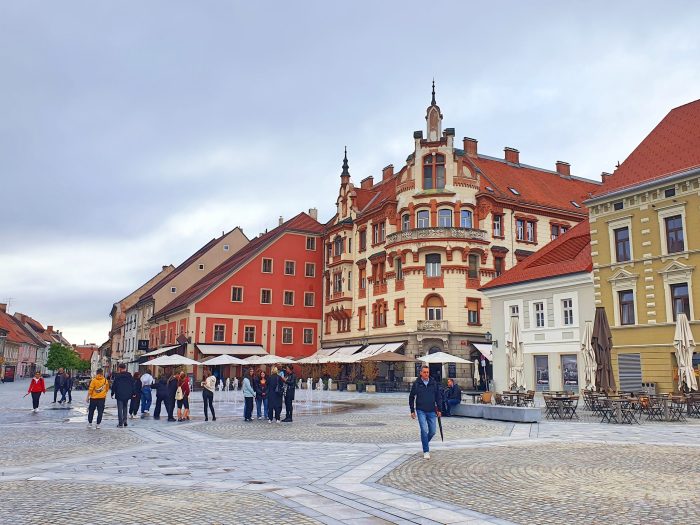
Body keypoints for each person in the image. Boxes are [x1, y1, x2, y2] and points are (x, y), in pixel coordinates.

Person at [409, 365, 442, 459]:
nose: (426, 374)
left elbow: (438, 396)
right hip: (421, 410)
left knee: (432, 431)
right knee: (424, 430)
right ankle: (426, 450)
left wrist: (439, 409)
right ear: (421, 373)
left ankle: (424, 443)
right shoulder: (417, 383)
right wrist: (412, 410)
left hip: (432, 410)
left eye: (427, 372)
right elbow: (411, 397)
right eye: (424, 372)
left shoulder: (433, 383)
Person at [110, 363, 133, 428]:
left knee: (120, 409)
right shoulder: (129, 375)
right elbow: (132, 384)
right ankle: (125, 421)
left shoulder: (117, 376)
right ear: (125, 368)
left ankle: (120, 423)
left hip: (119, 394)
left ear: (120, 368)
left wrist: (112, 393)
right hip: (127, 394)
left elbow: (114, 385)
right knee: (125, 407)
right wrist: (133, 393)